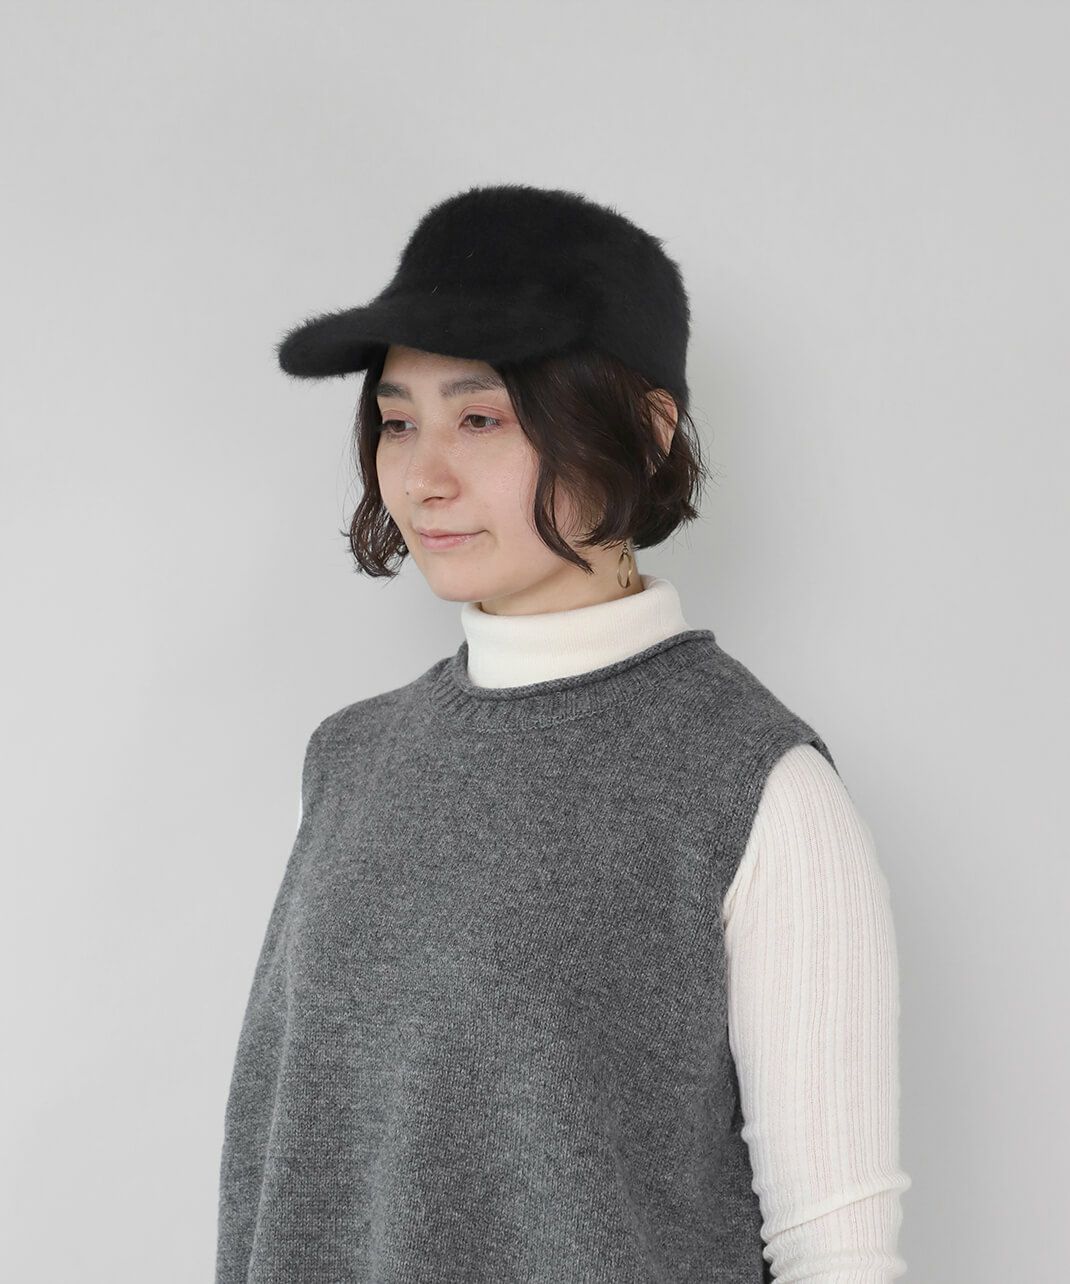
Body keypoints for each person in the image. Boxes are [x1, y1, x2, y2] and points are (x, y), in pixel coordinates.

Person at [215, 183, 910, 1283]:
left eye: (481, 418)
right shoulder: (346, 763)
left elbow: (838, 1252)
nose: (424, 476)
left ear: (645, 429)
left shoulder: (755, 789)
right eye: (398, 421)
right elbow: (288, 1174)